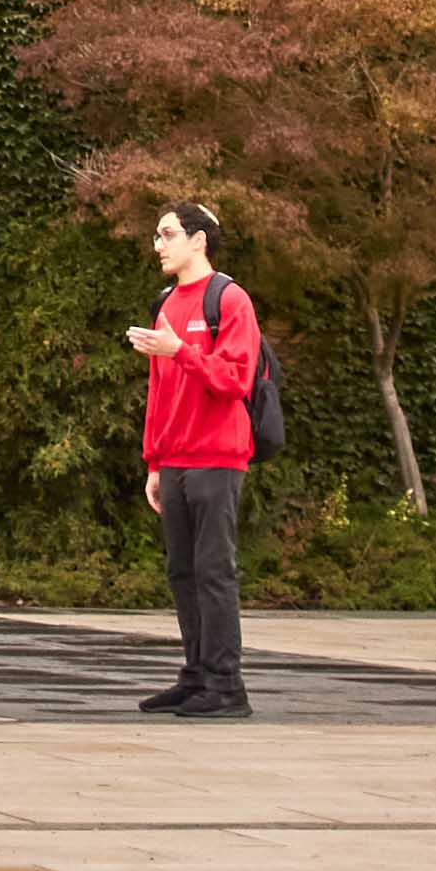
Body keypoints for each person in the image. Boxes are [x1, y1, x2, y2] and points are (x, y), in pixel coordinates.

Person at [129, 204, 262, 717]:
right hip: (178, 457)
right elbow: (159, 390)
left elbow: (235, 379)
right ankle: (197, 675)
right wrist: (154, 462)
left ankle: (227, 687)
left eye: (167, 234)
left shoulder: (229, 299)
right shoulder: (165, 303)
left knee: (213, 571)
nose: (158, 244)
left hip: (218, 456)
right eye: (157, 235)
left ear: (199, 240)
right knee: (182, 571)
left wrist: (179, 349)